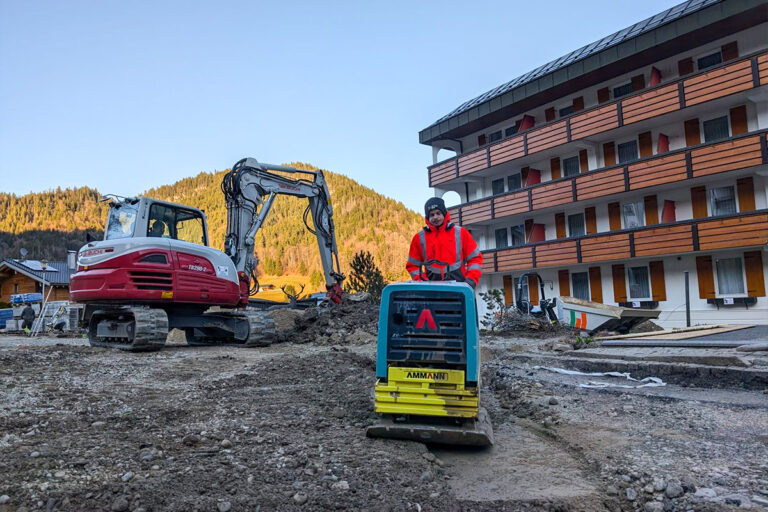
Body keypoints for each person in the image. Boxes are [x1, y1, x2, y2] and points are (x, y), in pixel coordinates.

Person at [406, 197, 482, 288]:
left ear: (444, 213)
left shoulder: (461, 233)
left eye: (438, 213)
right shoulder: (419, 238)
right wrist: (422, 282)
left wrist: (470, 281)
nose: (435, 217)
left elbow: (475, 258)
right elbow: (412, 265)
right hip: (431, 292)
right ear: (427, 217)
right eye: (432, 214)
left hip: (460, 289)